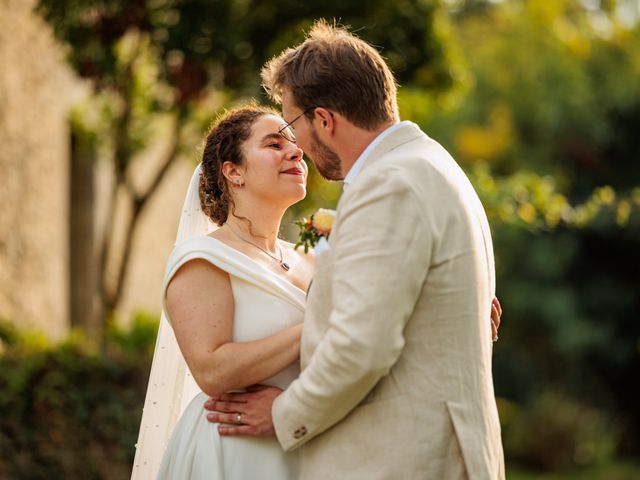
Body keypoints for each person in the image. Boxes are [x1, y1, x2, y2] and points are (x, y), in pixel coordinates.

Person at [204, 20, 505, 479]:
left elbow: (362, 344)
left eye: (292, 124)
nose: (298, 146)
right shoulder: (432, 164)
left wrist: (284, 413)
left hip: (402, 459)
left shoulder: (390, 185)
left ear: (324, 119)